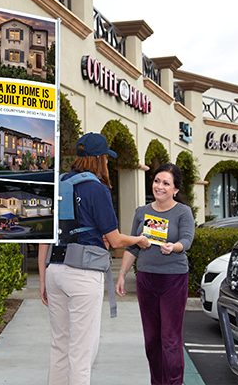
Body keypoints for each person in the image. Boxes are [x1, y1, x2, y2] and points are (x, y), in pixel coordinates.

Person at [38, 132, 150, 385]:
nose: (108, 164)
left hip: (55, 270)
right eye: (106, 159)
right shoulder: (97, 189)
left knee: (60, 347)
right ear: (99, 158)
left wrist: (44, 278)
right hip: (83, 274)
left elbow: (44, 236)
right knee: (82, 352)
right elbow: (117, 239)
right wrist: (139, 240)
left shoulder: (58, 185)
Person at [115, 163, 195, 385]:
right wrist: (122, 274)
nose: (160, 186)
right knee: (152, 340)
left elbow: (187, 240)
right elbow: (132, 246)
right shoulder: (142, 212)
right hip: (146, 279)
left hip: (173, 279)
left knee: (170, 339)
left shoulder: (182, 212)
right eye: (157, 181)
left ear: (175, 189)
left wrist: (174, 246)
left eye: (166, 183)